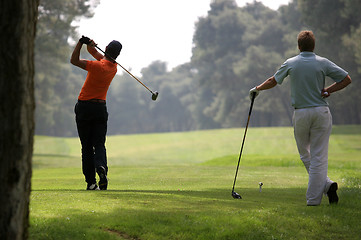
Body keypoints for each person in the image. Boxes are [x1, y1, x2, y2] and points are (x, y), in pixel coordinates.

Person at [249, 30, 351, 206]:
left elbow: (273, 80)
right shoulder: (322, 62)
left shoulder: (291, 63)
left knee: (306, 155)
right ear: (314, 45)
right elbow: (346, 79)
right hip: (321, 112)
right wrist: (328, 90)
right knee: (318, 156)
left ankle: (313, 201)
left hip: (301, 113)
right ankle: (327, 186)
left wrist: (257, 89)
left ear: (298, 46)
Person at [70, 36, 122, 190]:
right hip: (100, 109)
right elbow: (97, 54)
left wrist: (80, 43)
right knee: (99, 144)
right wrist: (91, 46)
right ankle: (101, 166)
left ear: (106, 49)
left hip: (85, 107)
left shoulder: (96, 66)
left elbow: (74, 60)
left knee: (86, 146)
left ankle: (91, 182)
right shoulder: (113, 67)